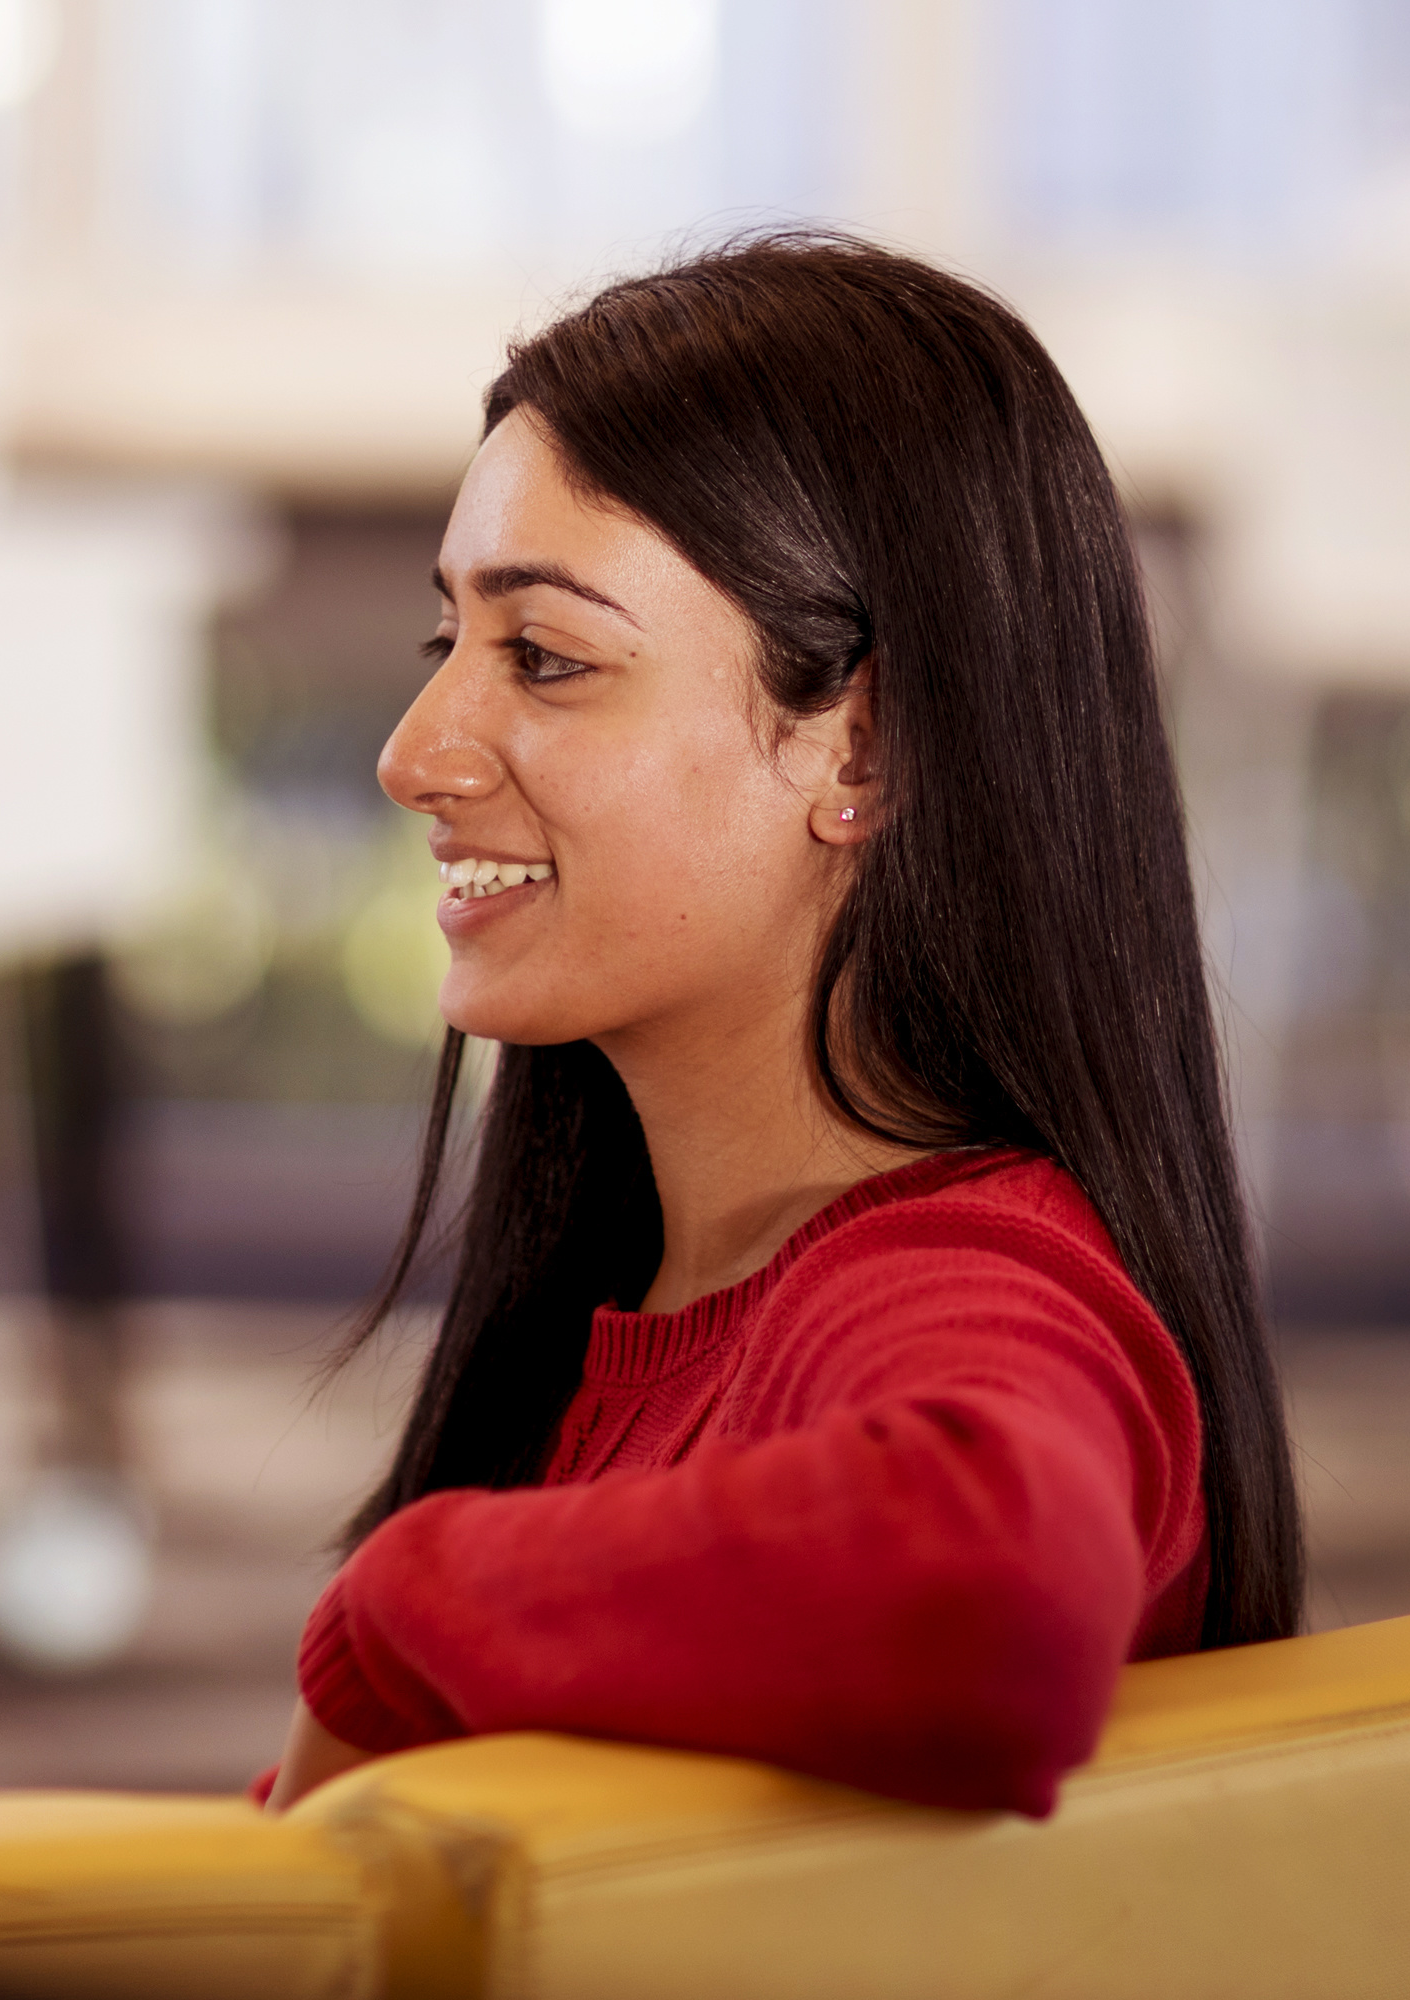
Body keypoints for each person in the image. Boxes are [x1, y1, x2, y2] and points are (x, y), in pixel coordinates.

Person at [261, 232, 1301, 1820]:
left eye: (543, 656)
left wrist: (404, 1607)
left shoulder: (949, 1283)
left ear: (863, 754)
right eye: (445, 642)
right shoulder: (666, 1281)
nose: (416, 752)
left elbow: (991, 1596)